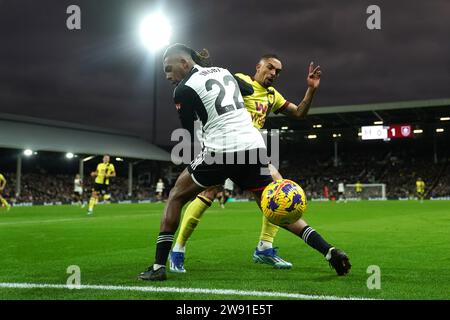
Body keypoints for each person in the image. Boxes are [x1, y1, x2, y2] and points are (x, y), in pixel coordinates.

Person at [138, 43, 350, 281]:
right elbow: (245, 93)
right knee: (275, 207)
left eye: (169, 69)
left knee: (177, 194)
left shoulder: (182, 89)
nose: (167, 75)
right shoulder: (225, 72)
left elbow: (188, 129)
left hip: (222, 150)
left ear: (185, 63)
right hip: (253, 148)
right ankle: (329, 251)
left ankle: (160, 265)